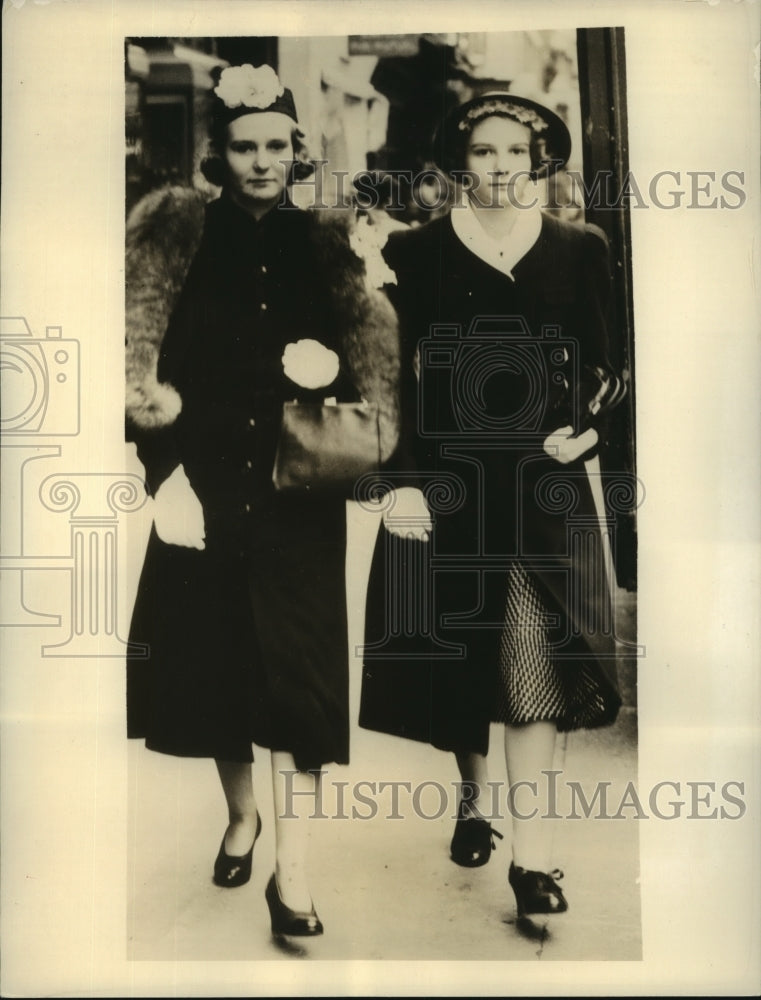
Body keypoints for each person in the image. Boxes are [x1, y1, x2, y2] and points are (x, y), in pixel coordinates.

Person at [125, 63, 418, 938]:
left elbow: (376, 360)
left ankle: (293, 875)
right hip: (205, 484)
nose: (261, 162)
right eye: (244, 147)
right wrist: (164, 473)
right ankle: (242, 814)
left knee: (300, 679)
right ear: (219, 154)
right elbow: (135, 354)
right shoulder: (177, 236)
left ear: (298, 151)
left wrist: (360, 410)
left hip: (298, 492)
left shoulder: (328, 240)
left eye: (276, 146)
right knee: (219, 665)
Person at [360, 91, 627, 923]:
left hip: (542, 487)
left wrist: (585, 430)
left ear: (539, 160)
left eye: (516, 151)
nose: (501, 167)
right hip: (447, 486)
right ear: (458, 163)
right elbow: (388, 380)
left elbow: (608, 366)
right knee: (457, 660)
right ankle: (474, 799)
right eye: (483, 152)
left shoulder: (579, 248)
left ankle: (533, 859)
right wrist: (401, 481)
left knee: (532, 662)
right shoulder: (414, 252)